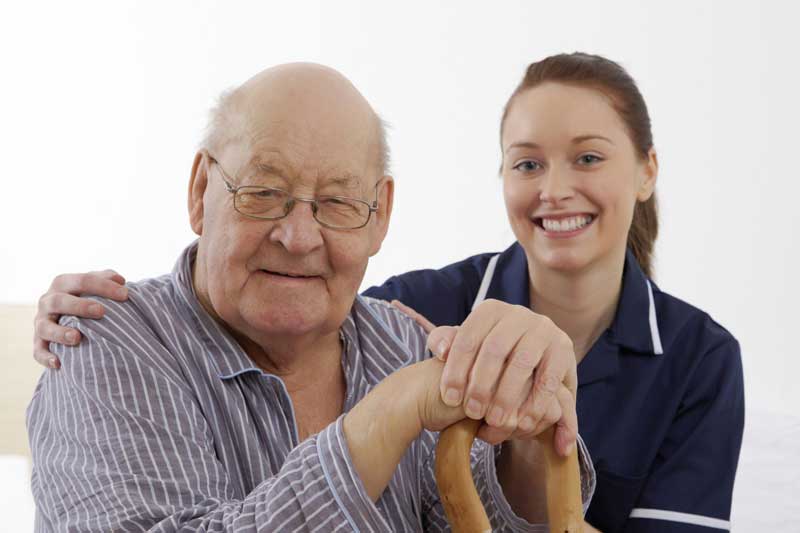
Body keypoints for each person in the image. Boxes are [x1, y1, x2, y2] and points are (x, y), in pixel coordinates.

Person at [32, 53, 743, 532]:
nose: (300, 235)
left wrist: (531, 439)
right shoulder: (99, 339)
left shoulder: (401, 335)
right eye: (265, 191)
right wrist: (390, 413)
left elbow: (478, 511)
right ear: (199, 190)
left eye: (339, 202)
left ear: (381, 216)